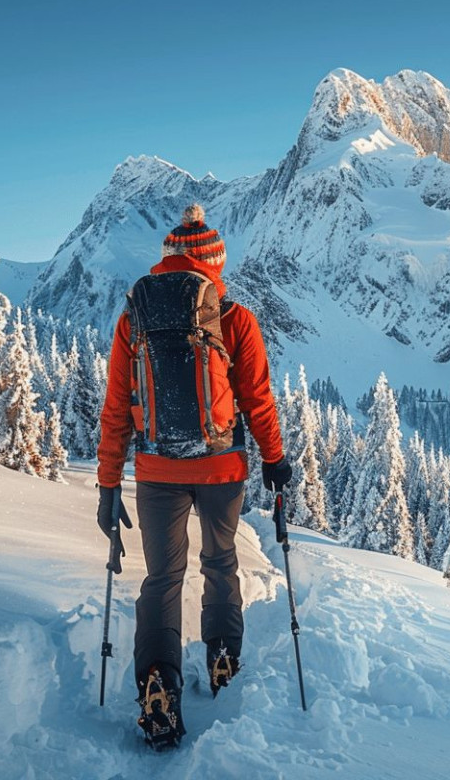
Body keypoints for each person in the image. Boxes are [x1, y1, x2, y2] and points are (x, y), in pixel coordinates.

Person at [96, 203, 292, 749]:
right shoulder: (234, 318)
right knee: (220, 561)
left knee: (162, 577)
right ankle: (223, 658)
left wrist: (109, 484)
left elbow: (116, 408)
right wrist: (274, 460)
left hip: (157, 468)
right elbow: (257, 401)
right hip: (221, 466)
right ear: (215, 265)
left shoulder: (133, 319)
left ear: (167, 264)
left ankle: (158, 681)